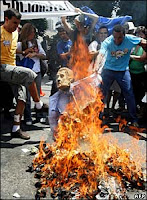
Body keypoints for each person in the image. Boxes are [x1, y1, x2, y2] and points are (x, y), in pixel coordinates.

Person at [0, 8, 48, 139]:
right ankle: (38, 105)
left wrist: (24, 52)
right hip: (2, 67)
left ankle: (16, 128)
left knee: (22, 97)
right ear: (6, 20)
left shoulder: (15, 33)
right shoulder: (1, 32)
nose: (16, 26)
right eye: (14, 23)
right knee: (29, 74)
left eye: (18, 23)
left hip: (12, 68)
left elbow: (14, 50)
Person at [94, 24, 147, 127]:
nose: (117, 40)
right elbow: (101, 54)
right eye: (115, 37)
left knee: (129, 94)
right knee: (101, 94)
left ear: (124, 35)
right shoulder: (108, 42)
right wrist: (96, 66)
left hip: (123, 71)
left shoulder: (131, 39)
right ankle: (98, 117)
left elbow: (143, 42)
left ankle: (133, 119)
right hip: (108, 70)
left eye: (120, 38)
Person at [16, 23, 46, 125]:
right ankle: (28, 117)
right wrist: (25, 52)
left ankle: (39, 115)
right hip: (25, 74)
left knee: (37, 96)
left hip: (36, 72)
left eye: (34, 32)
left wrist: (35, 54)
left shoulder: (37, 42)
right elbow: (13, 52)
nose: (33, 34)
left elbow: (44, 55)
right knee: (26, 97)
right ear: (26, 32)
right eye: (31, 32)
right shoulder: (20, 43)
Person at [49, 67, 74, 140]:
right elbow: (52, 120)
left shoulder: (81, 90)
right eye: (57, 77)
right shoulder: (54, 99)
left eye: (62, 76)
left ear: (70, 79)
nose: (58, 79)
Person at [129, 26, 147, 117]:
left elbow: (142, 58)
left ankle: (141, 112)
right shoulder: (133, 44)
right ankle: (134, 111)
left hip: (140, 74)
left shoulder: (144, 46)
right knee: (132, 93)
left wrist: (130, 56)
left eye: (141, 34)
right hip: (131, 73)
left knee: (140, 94)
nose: (139, 35)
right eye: (137, 33)